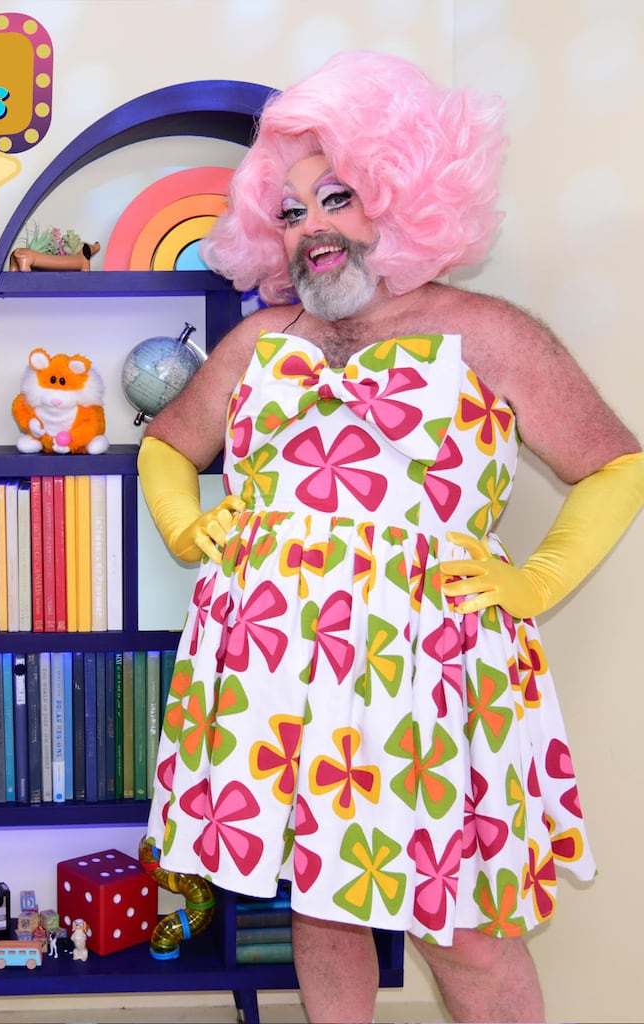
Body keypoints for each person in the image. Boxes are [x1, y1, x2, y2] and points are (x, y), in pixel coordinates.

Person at [139, 51, 643, 1023]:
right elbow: (166, 445)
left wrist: (538, 579)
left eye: (335, 198)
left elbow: (614, 465)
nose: (311, 229)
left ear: (405, 194)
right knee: (323, 909)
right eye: (290, 213)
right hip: (282, 672)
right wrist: (187, 525)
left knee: (466, 927)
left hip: (429, 677)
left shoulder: (486, 334)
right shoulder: (258, 344)